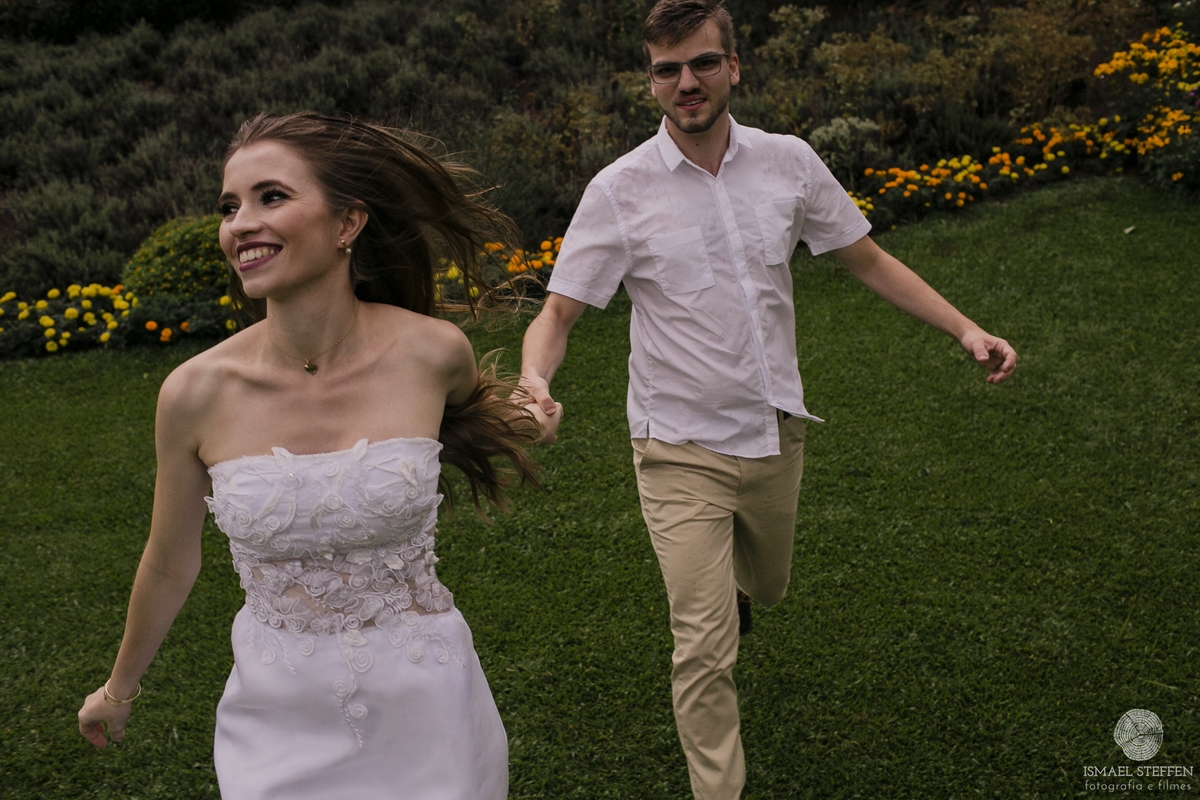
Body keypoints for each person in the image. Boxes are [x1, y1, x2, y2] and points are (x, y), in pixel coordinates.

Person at [519, 1, 1017, 798]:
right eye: (667, 69)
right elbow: (559, 312)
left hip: (776, 432)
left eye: (702, 63)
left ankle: (745, 595)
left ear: (734, 68)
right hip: (677, 446)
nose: (687, 83)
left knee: (771, 584)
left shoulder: (788, 162)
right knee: (703, 648)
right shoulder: (619, 190)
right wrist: (534, 381)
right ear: (650, 80)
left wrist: (964, 329)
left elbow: (867, 259)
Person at [77, 111, 552, 800]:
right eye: (229, 206)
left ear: (346, 224)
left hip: (428, 710)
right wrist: (118, 690)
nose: (240, 223)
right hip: (276, 717)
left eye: (271, 196)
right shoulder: (195, 393)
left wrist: (530, 421)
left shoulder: (431, 352)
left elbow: (475, 418)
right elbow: (169, 560)